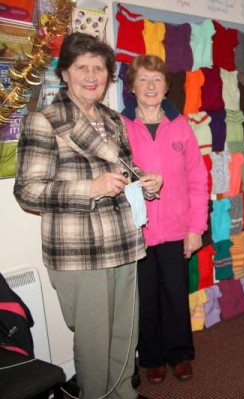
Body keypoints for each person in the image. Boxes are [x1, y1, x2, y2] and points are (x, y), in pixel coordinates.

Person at [14, 32, 162, 399]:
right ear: (64, 73)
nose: (91, 75)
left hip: (124, 242)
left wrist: (147, 182)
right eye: (82, 67)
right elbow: (28, 191)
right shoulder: (44, 121)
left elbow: (125, 170)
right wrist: (89, 188)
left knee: (126, 337)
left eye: (99, 67)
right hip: (79, 251)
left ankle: (124, 394)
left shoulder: (113, 120)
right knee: (95, 346)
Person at [122, 55, 209, 384]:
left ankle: (180, 354)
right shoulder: (121, 125)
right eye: (143, 79)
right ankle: (153, 357)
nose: (150, 86)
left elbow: (198, 181)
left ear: (166, 88)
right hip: (137, 230)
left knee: (176, 293)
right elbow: (114, 174)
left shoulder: (182, 125)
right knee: (146, 296)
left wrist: (195, 229)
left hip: (176, 228)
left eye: (157, 80)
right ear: (132, 86)